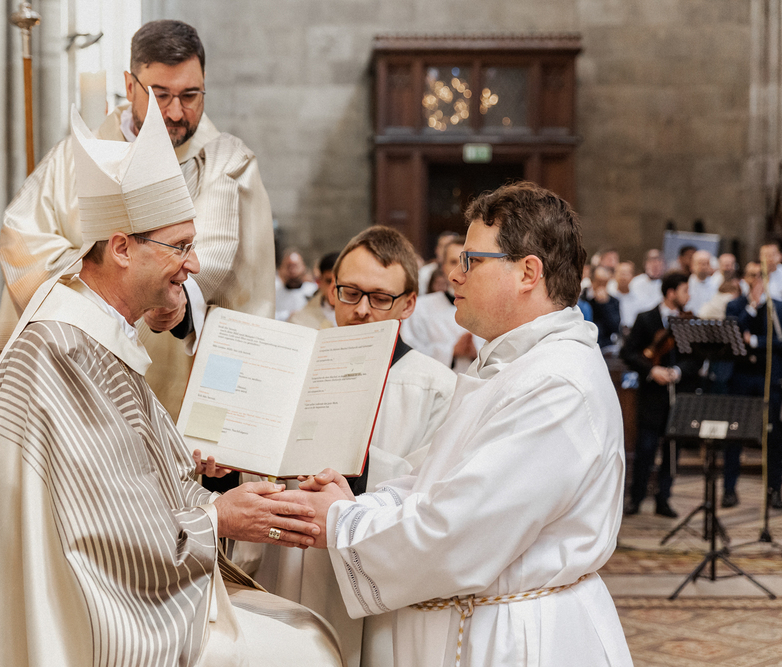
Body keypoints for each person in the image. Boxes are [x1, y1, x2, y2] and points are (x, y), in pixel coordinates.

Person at [0, 103, 341, 667]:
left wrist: (185, 468)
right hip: (83, 613)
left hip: (116, 586)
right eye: (180, 246)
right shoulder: (64, 346)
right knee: (306, 647)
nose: (194, 265)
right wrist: (220, 517)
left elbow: (111, 480)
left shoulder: (100, 332)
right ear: (121, 248)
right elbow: (99, 529)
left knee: (303, 630)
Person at [278, 182, 632, 667]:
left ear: (528, 272)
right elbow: (433, 480)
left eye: (471, 260)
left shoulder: (557, 384)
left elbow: (458, 533)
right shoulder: (515, 364)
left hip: (521, 641)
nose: (453, 275)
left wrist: (342, 520)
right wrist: (355, 500)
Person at [0, 20, 275, 420]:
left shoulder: (227, 163)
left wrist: (176, 304)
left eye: (191, 95)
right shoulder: (74, 157)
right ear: (130, 87)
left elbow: (217, 260)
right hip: (76, 376)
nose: (176, 112)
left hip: (178, 389)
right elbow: (23, 239)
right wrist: (104, 300)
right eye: (160, 95)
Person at [259, 226, 456, 667]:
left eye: (380, 298)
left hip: (371, 582)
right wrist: (231, 467)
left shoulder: (437, 386)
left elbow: (427, 495)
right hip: (288, 563)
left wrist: (353, 467)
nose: (362, 310)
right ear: (332, 291)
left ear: (409, 303)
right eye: (349, 293)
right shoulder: (294, 367)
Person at [620, 273, 701, 517]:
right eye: (685, 290)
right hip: (652, 395)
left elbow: (696, 358)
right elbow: (628, 353)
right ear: (671, 293)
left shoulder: (690, 322)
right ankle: (636, 498)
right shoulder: (646, 318)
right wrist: (652, 370)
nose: (689, 296)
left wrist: (677, 371)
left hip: (678, 395)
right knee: (645, 449)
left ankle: (663, 499)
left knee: (672, 452)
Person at [721, 260, 782, 509]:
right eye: (752, 276)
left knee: (773, 436)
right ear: (745, 279)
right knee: (734, 434)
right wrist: (751, 307)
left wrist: (754, 342)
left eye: (761, 276)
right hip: (741, 376)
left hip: (769, 377)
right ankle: (729, 489)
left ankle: (775, 490)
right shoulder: (735, 305)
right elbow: (733, 336)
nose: (757, 281)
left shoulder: (780, 307)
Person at [403, 237, 482, 373]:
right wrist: (450, 351)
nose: (461, 268)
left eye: (467, 261)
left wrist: (479, 352)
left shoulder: (490, 308)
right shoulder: (421, 308)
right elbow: (409, 353)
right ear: (443, 267)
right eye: (453, 262)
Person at [288, 251, 338, 330]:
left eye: (340, 282)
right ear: (320, 281)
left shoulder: (357, 313)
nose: (334, 288)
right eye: (329, 281)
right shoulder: (300, 319)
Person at [585, 265, 622, 350]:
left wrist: (605, 305)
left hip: (605, 345)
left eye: (605, 283)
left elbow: (615, 328)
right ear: (592, 281)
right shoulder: (583, 298)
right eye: (599, 282)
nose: (601, 286)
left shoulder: (613, 301)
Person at [275, 249, 317, 321]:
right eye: (288, 266)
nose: (292, 271)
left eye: (295, 266)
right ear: (281, 268)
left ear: (303, 267)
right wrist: (288, 315)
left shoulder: (313, 291)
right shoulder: (274, 293)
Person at [417, 230, 461, 294]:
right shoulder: (425, 272)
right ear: (436, 249)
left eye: (450, 244)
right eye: (443, 246)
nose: (446, 249)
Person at [686, 249, 722, 314]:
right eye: (700, 263)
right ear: (692, 265)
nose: (703, 267)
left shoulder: (717, 285)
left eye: (706, 263)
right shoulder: (686, 284)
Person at [630, 248, 665, 313]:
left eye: (658, 260)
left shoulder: (666, 284)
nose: (655, 264)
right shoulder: (636, 282)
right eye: (652, 261)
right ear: (645, 264)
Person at [612, 261, 641, 331]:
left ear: (633, 276)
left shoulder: (639, 298)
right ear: (614, 275)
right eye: (620, 273)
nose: (623, 277)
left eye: (626, 273)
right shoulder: (610, 297)